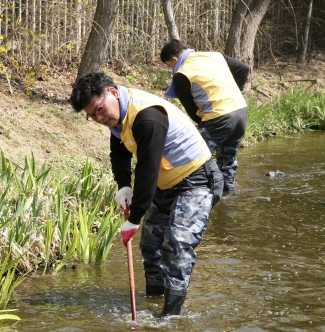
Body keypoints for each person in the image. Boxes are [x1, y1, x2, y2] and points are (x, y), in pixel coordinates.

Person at [69, 72, 223, 317]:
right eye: (92, 116)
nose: (99, 117)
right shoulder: (118, 117)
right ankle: (154, 300)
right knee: (151, 244)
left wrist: (134, 218)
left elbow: (147, 170)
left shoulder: (147, 116)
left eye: (99, 109)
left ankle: (170, 317)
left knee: (178, 243)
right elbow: (119, 152)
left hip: (197, 181)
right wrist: (122, 185)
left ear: (112, 92)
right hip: (166, 185)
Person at [160, 39, 249, 194]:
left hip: (217, 118)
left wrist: (204, 123)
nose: (171, 68)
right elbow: (243, 69)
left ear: (174, 59)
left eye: (169, 65)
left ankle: (190, 194)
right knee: (228, 159)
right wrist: (234, 91)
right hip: (241, 111)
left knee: (194, 158)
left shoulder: (181, 74)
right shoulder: (215, 56)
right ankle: (227, 196)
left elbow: (192, 111)